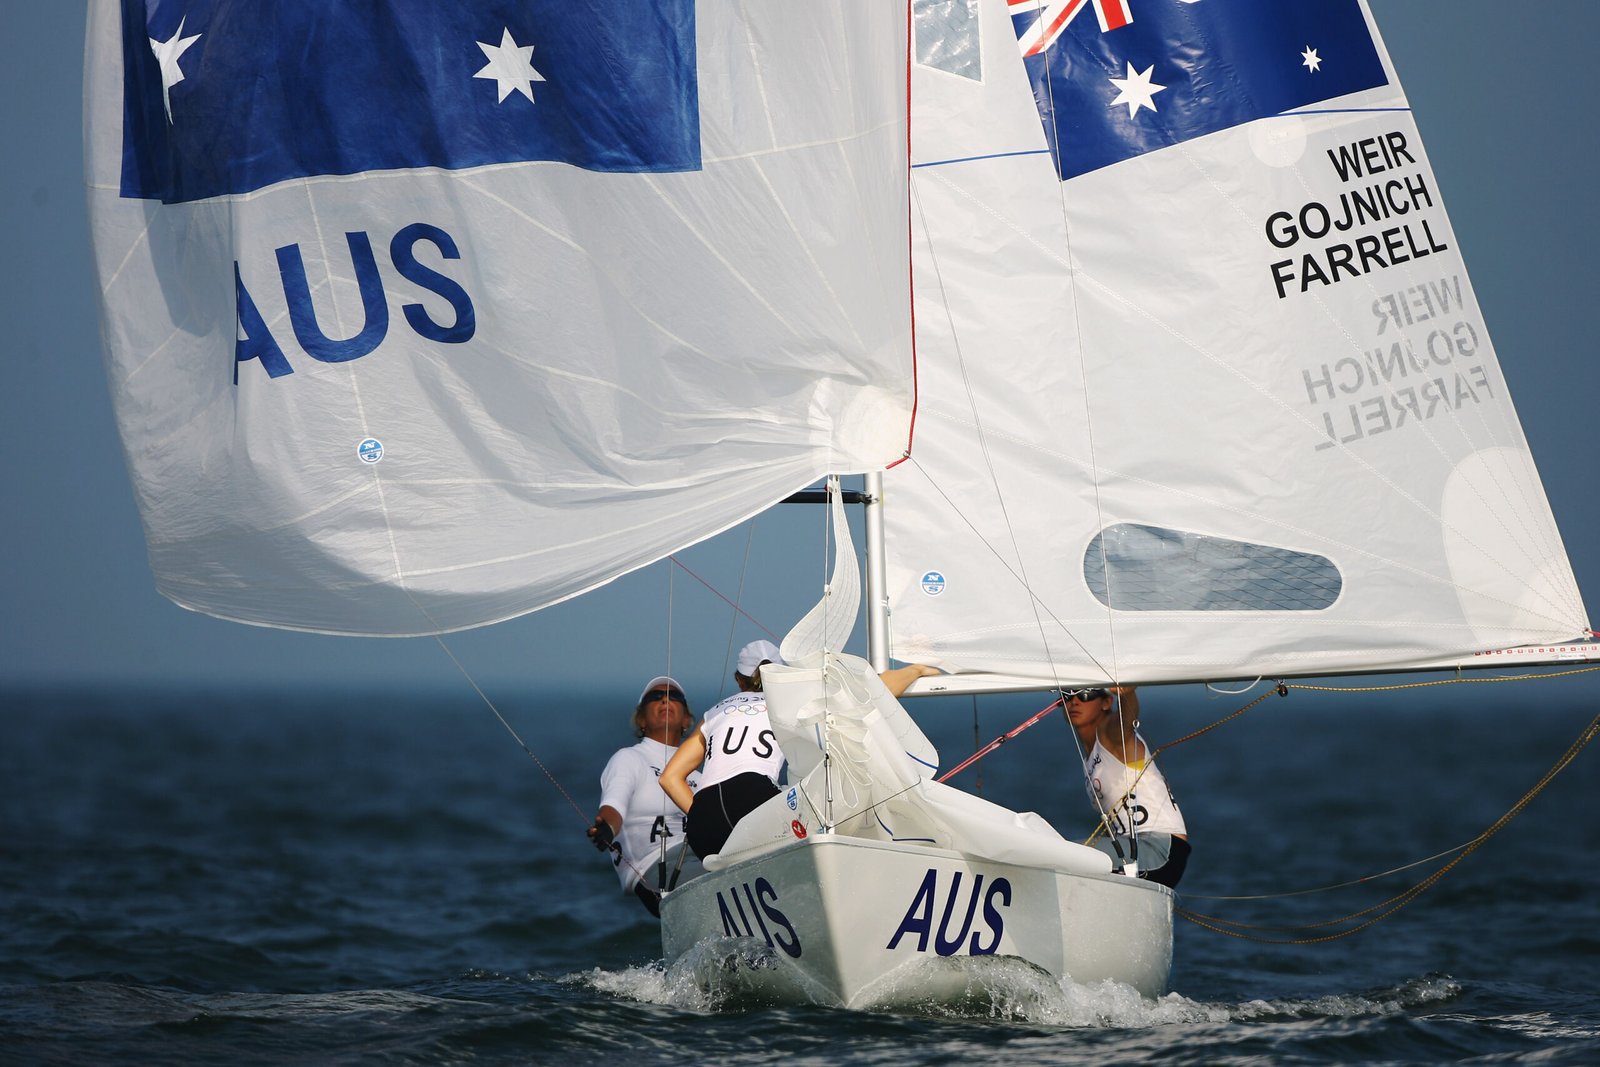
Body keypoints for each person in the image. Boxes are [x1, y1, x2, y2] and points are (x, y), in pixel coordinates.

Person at [660, 640, 786, 860]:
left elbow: (669, 778)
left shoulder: (715, 712)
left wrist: (703, 817)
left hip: (705, 813)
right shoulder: (788, 706)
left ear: (738, 679)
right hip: (754, 796)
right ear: (779, 677)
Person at [587, 676, 702, 917]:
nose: (665, 700)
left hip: (703, 860)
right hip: (657, 869)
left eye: (675, 697)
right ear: (641, 719)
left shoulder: (700, 777)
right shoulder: (629, 759)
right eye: (655, 697)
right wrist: (607, 827)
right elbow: (613, 806)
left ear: (687, 720)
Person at [1062, 685, 1190, 888]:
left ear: (1106, 702)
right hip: (1132, 849)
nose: (1074, 701)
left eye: (1086, 694)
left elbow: (1125, 723)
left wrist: (1127, 694)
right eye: (1066, 695)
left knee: (1059, 855)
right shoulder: (1088, 759)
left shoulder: (1110, 736)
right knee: (1060, 853)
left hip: (1160, 850)